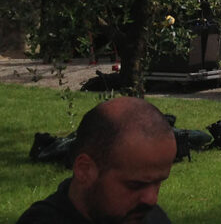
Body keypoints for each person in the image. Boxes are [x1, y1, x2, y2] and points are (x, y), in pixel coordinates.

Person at [19, 96, 176, 224]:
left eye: (158, 182)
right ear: (84, 169)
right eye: (135, 185)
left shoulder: (149, 217)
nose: (151, 199)